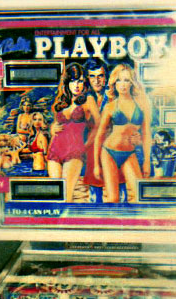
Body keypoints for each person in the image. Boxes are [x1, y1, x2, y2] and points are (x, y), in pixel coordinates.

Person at [94, 64, 151, 203]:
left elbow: (146, 134)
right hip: (109, 152)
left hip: (129, 153)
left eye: (126, 80)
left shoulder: (142, 104)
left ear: (132, 83)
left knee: (140, 195)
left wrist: (147, 161)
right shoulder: (110, 107)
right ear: (114, 83)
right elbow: (99, 136)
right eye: (119, 80)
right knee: (113, 199)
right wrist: (96, 164)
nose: (122, 84)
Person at [47, 63, 100, 202]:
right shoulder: (61, 101)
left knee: (67, 196)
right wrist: (52, 129)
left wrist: (87, 144)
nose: (76, 85)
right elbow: (57, 124)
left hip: (75, 151)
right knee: (56, 195)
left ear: (84, 83)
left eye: (80, 81)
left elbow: (99, 125)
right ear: (67, 82)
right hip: (55, 150)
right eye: (73, 81)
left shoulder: (88, 100)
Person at [81, 59, 128, 204]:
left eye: (100, 76)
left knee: (120, 188)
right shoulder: (84, 99)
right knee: (95, 190)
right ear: (87, 79)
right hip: (92, 149)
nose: (96, 81)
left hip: (114, 147)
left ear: (106, 77)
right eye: (92, 76)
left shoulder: (116, 96)